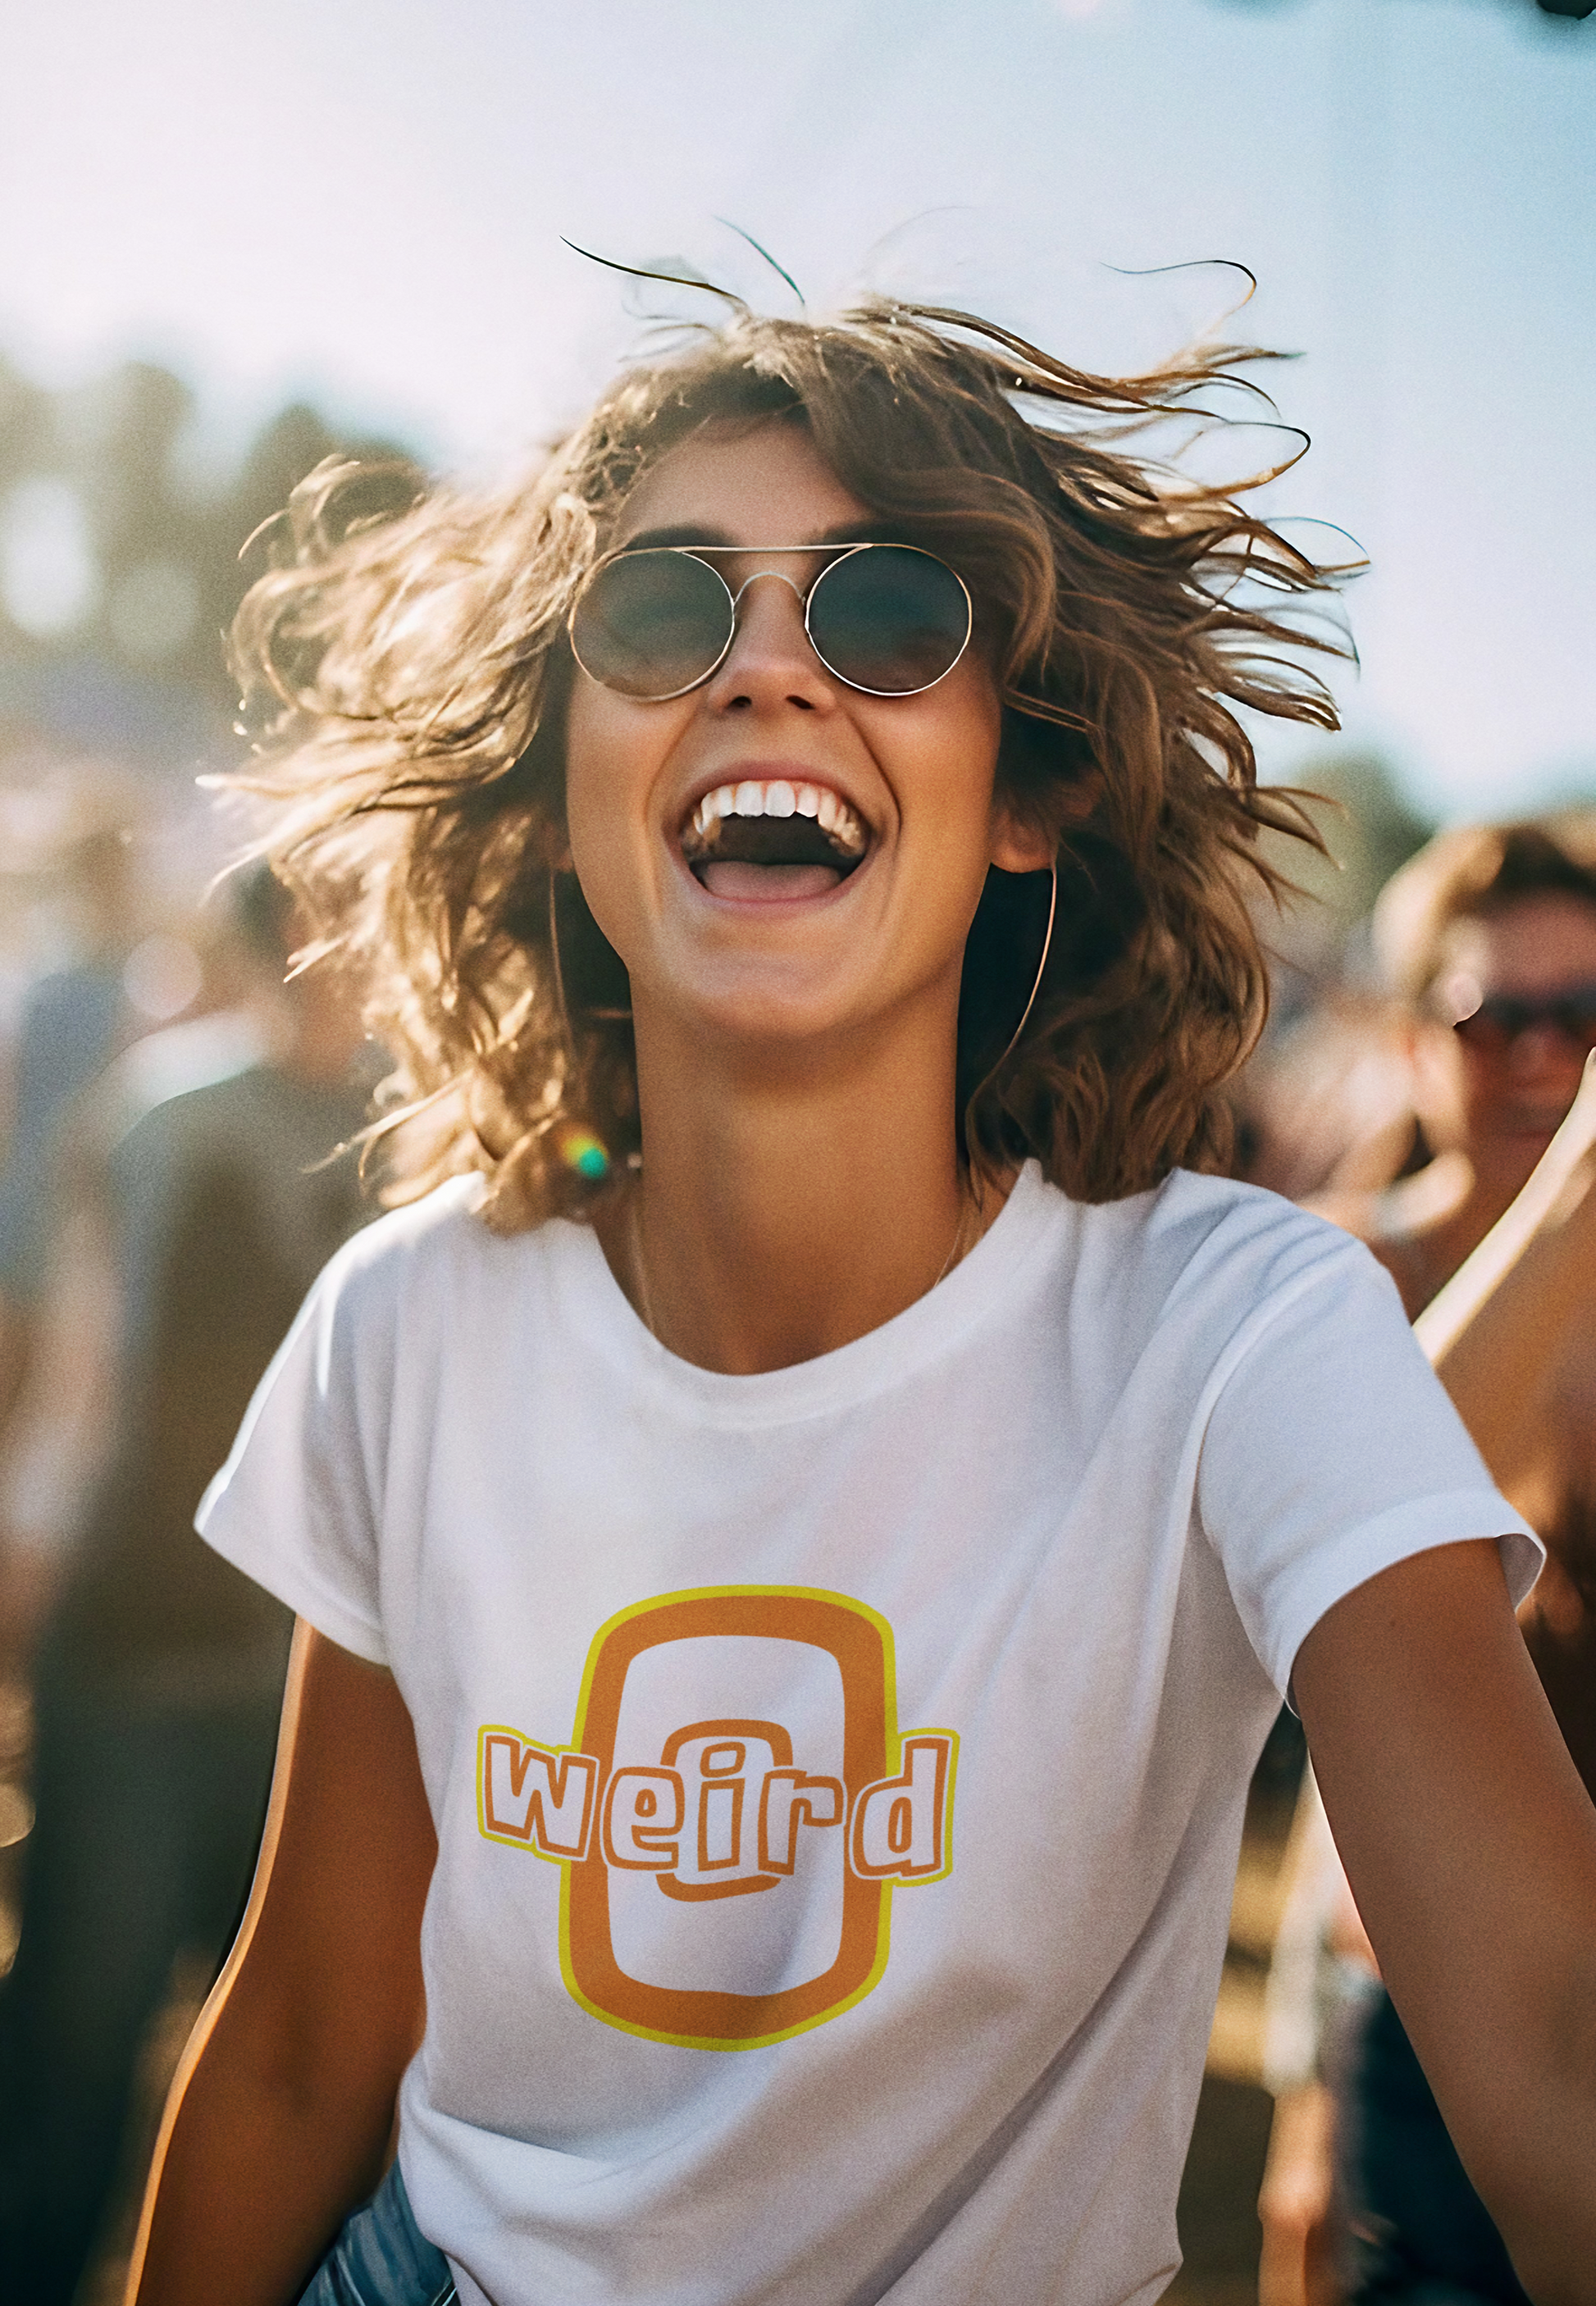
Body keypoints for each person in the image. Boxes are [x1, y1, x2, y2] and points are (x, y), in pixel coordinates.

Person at [125, 300, 1596, 2306]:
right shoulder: (411, 1324)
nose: (764, 669)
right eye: (660, 613)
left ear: (1026, 796)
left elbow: (1553, 2049)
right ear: (568, 779)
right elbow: (298, 2050)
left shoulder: (1239, 1331)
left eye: (890, 614)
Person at [0, 868, 373, 2303]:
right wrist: (28, 1567)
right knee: (78, 2052)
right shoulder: (165, 1115)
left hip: (343, 1689)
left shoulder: (457, 1121)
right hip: (145, 1650)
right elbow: (83, 1372)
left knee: (326, 2080)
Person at [1259, 819, 1596, 2305]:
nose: (1539, 1058)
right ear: (1409, 1045)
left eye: (1581, 1018)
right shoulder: (1332, 1275)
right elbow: (1377, 1534)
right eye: (1491, 1018)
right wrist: (1304, 2087)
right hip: (1422, 2001)